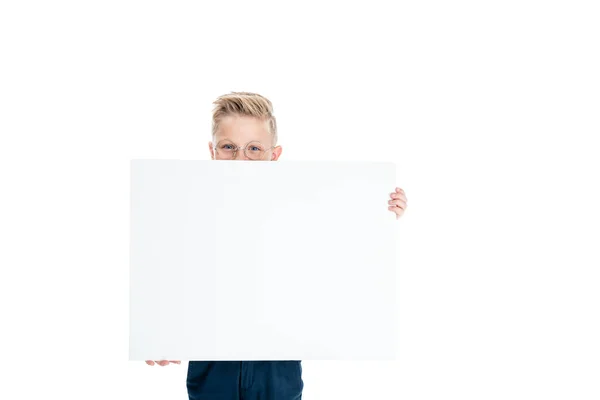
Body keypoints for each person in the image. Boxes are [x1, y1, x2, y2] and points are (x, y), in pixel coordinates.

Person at [145, 92, 408, 399]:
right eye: (229, 147)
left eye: (254, 148)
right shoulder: (186, 212)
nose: (242, 158)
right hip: (211, 370)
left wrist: (379, 215)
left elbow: (338, 255)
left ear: (274, 154)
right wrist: (157, 333)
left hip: (277, 369)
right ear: (212, 151)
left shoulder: (298, 211)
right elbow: (168, 275)